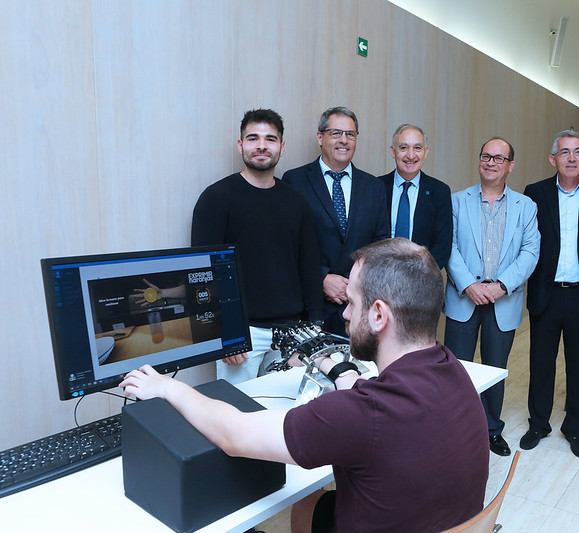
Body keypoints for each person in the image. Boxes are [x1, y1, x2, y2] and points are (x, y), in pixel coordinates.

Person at [120, 239, 489, 533]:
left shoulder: (359, 415)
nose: (344, 314)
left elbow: (233, 435)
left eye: (352, 302)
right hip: (451, 523)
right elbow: (372, 395)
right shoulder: (451, 367)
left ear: (379, 314)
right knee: (315, 506)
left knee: (306, 503)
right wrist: (330, 365)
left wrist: (167, 387)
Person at [191, 109, 323, 384]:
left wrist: (313, 327)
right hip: (242, 334)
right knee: (236, 416)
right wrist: (224, 331)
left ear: (281, 147)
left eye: (270, 139)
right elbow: (202, 272)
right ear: (240, 145)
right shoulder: (216, 198)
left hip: (291, 333)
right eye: (253, 138)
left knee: (283, 414)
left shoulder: (296, 202)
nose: (262, 145)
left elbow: (308, 266)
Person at [444, 137, 540, 456]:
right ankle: (456, 431)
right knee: (457, 369)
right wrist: (469, 284)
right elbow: (450, 247)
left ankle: (490, 429)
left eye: (499, 158)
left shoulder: (526, 206)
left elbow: (529, 252)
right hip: (464, 296)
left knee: (494, 368)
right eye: (486, 156)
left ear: (510, 166)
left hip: (503, 299)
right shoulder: (456, 201)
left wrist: (500, 286)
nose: (491, 162)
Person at [521, 130, 579, 458]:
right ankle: (538, 423)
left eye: (577, 152)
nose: (571, 158)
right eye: (564, 152)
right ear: (552, 159)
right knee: (541, 362)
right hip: (547, 292)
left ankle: (573, 427)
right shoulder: (535, 193)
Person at [283, 106, 390, 336]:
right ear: (320, 137)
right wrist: (321, 278)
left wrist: (354, 283)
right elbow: (287, 243)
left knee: (358, 371)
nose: (344, 140)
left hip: (359, 307)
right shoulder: (295, 181)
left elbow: (380, 245)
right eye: (336, 133)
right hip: (310, 307)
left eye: (350, 134)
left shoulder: (374, 187)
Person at [377, 124, 452, 269]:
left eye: (417, 148)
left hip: (422, 278)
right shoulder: (376, 187)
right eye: (403, 148)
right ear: (393, 151)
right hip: (380, 276)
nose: (411, 155)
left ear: (426, 152)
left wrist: (421, 276)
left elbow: (442, 246)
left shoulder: (440, 192)